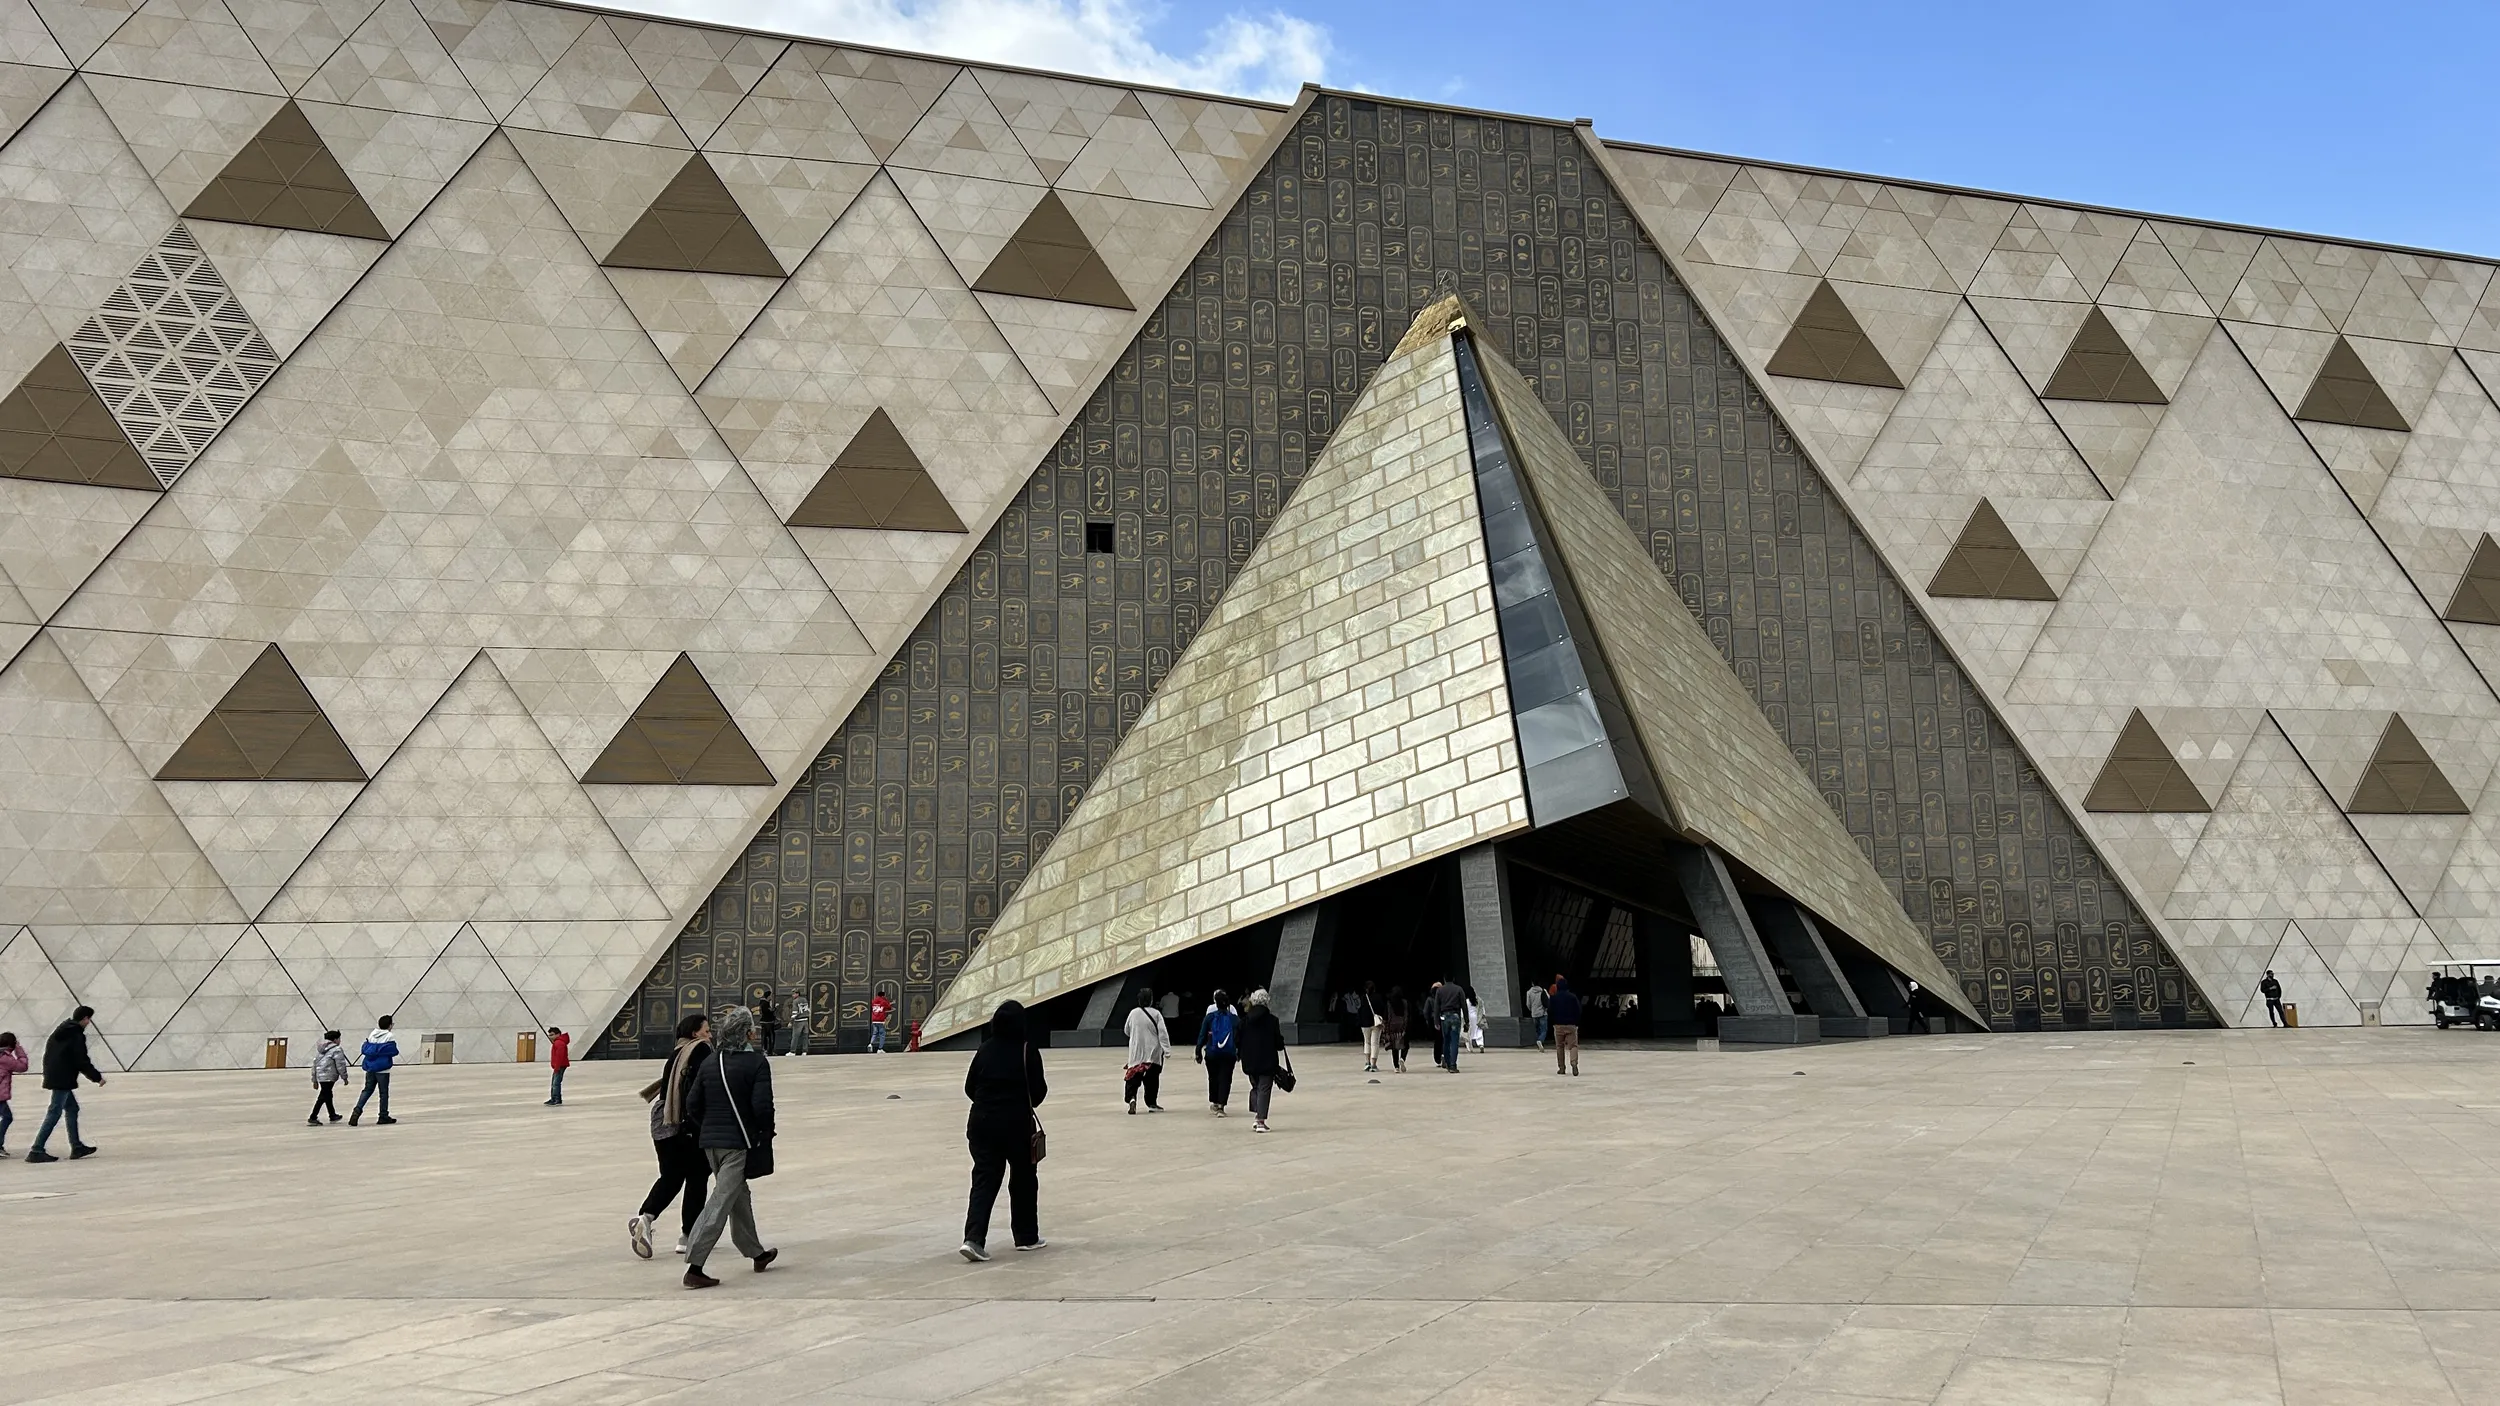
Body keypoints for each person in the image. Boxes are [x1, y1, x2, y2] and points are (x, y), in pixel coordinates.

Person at [678, 1005, 777, 1287]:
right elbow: (762, 1107)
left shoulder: (711, 1062)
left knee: (737, 1194)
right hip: (738, 1143)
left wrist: (709, 1127)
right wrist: (764, 1134)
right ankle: (695, 1266)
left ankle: (756, 1253)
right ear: (747, 1033)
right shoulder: (756, 1063)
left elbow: (693, 1104)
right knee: (722, 1199)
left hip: (711, 1144)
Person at [960, 999, 1047, 1260]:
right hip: (1016, 1124)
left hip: (982, 1122)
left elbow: (969, 1087)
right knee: (1023, 1179)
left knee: (984, 1180)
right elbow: (1039, 1091)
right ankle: (1026, 1237)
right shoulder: (1026, 1049)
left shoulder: (984, 1049)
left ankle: (973, 1239)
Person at [630, 1013, 713, 1260]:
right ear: (696, 1032)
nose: (710, 1034)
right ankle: (689, 1235)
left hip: (663, 1122)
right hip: (685, 1124)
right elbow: (701, 1088)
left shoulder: (677, 1052)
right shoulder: (700, 1050)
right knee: (698, 1177)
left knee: (672, 1176)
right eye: (707, 1030)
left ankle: (646, 1217)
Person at [27, 1006, 104, 1162]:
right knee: (54, 1112)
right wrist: (96, 1077)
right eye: (89, 1019)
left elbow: (48, 1053)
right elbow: (81, 1060)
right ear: (85, 1018)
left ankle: (77, 1147)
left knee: (72, 1108)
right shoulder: (75, 1035)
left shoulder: (61, 1030)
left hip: (56, 1074)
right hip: (63, 1077)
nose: (89, 1023)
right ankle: (36, 1150)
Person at [1237, 989, 1287, 1132]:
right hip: (1267, 1060)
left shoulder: (1244, 1020)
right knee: (1264, 1089)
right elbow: (1278, 1043)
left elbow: (1237, 1039)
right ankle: (1260, 1121)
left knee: (1256, 1086)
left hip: (1249, 1061)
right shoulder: (1272, 1020)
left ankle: (1256, 1115)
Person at [1122, 987, 1170, 1113]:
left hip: (1136, 1052)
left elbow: (1126, 1030)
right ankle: (1152, 1104)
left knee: (1133, 1077)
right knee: (1152, 1079)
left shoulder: (1133, 1013)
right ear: (1151, 1000)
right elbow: (1163, 1033)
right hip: (1153, 1052)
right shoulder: (1156, 1014)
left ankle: (1131, 1098)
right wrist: (1167, 1049)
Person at [349, 1016, 399, 1125]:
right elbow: (393, 1051)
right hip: (383, 1069)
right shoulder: (389, 1036)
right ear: (390, 1025)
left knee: (367, 1090)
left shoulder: (372, 1034)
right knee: (383, 1093)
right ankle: (383, 1115)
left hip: (370, 1067)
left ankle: (356, 1112)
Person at [1197, 990, 1238, 1115]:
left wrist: (1198, 1051)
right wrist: (1239, 1052)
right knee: (1226, 1078)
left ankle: (1214, 1101)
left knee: (1213, 1077)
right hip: (1229, 1053)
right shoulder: (1234, 1019)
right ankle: (1221, 1105)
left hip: (1212, 1053)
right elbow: (1239, 1036)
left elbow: (1202, 1035)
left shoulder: (1210, 1017)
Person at [308, 1030, 348, 1125]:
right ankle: (313, 1117)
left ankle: (332, 1115)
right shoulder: (337, 1049)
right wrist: (344, 1077)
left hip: (321, 1076)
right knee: (323, 1097)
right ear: (335, 1039)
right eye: (339, 1039)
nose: (340, 1041)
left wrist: (315, 1079)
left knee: (327, 1095)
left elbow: (315, 1064)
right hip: (329, 1076)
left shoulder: (321, 1049)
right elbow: (340, 1065)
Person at [1549, 976, 1584, 1076]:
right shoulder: (1572, 997)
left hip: (1558, 1025)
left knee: (1560, 1047)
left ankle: (1561, 1068)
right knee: (1573, 1046)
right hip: (1571, 1025)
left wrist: (1553, 1022)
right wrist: (1576, 1022)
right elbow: (1578, 1010)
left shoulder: (1554, 998)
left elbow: (1550, 1010)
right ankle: (1574, 1063)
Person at [1432, 976, 1468, 1071]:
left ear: (1444, 979)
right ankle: (1453, 1064)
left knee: (1446, 1041)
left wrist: (1436, 1021)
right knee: (1454, 1041)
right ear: (1453, 979)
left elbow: (1436, 1006)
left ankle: (1447, 1063)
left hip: (1444, 1017)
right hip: (1455, 1016)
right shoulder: (1459, 989)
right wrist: (1467, 1021)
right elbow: (1464, 1005)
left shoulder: (1440, 991)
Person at [0, 1030, 23, 1156]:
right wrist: (19, 1050)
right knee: (7, 1117)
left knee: (6, 1117)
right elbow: (22, 1066)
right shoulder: (5, 1058)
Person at [1356, 981, 1382, 1073]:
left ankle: (1367, 1063)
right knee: (1375, 1043)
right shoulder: (1378, 997)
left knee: (1367, 1042)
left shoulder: (1363, 998)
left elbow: (1359, 1009)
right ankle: (1373, 1065)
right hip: (1375, 1023)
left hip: (1364, 1023)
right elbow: (1382, 1009)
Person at [1383, 987, 1410, 1073]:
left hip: (1392, 1026)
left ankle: (1396, 1067)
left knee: (1394, 1047)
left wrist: (1385, 1025)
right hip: (1402, 1025)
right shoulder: (1404, 1002)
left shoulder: (1389, 1003)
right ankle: (1402, 1058)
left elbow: (1386, 1015)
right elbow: (1408, 1014)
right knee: (1405, 1044)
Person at [544, 1026, 570, 1105]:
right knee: (555, 1082)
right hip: (559, 1066)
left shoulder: (559, 1043)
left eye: (552, 1035)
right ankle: (554, 1098)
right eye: (549, 1035)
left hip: (559, 1066)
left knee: (556, 1083)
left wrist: (556, 1067)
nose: (550, 1037)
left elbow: (559, 1056)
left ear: (558, 1034)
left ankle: (556, 1099)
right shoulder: (558, 1042)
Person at [1525, 979, 1549, 1049]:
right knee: (1544, 1030)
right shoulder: (1543, 991)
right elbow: (1548, 1000)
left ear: (1532, 984)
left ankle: (1539, 1041)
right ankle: (1540, 1040)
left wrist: (1532, 1010)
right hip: (1543, 1013)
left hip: (1534, 1014)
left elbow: (1528, 1004)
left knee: (1537, 1029)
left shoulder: (1529, 992)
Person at [788, 991, 812, 1056]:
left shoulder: (795, 1001)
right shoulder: (804, 1000)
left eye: (794, 994)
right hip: (806, 1020)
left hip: (798, 1021)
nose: (793, 995)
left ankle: (792, 1051)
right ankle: (804, 1051)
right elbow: (808, 1010)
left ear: (797, 994)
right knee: (805, 1036)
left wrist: (791, 1022)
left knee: (795, 1036)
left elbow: (795, 1012)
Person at [1464, 986, 1485, 1052]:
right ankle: (1481, 1044)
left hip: (1469, 1017)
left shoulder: (1466, 1001)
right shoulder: (1478, 1000)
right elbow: (1482, 1008)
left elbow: (1464, 1010)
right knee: (1479, 1031)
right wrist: (1483, 1015)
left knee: (1468, 1032)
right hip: (1477, 1017)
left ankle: (1469, 1047)